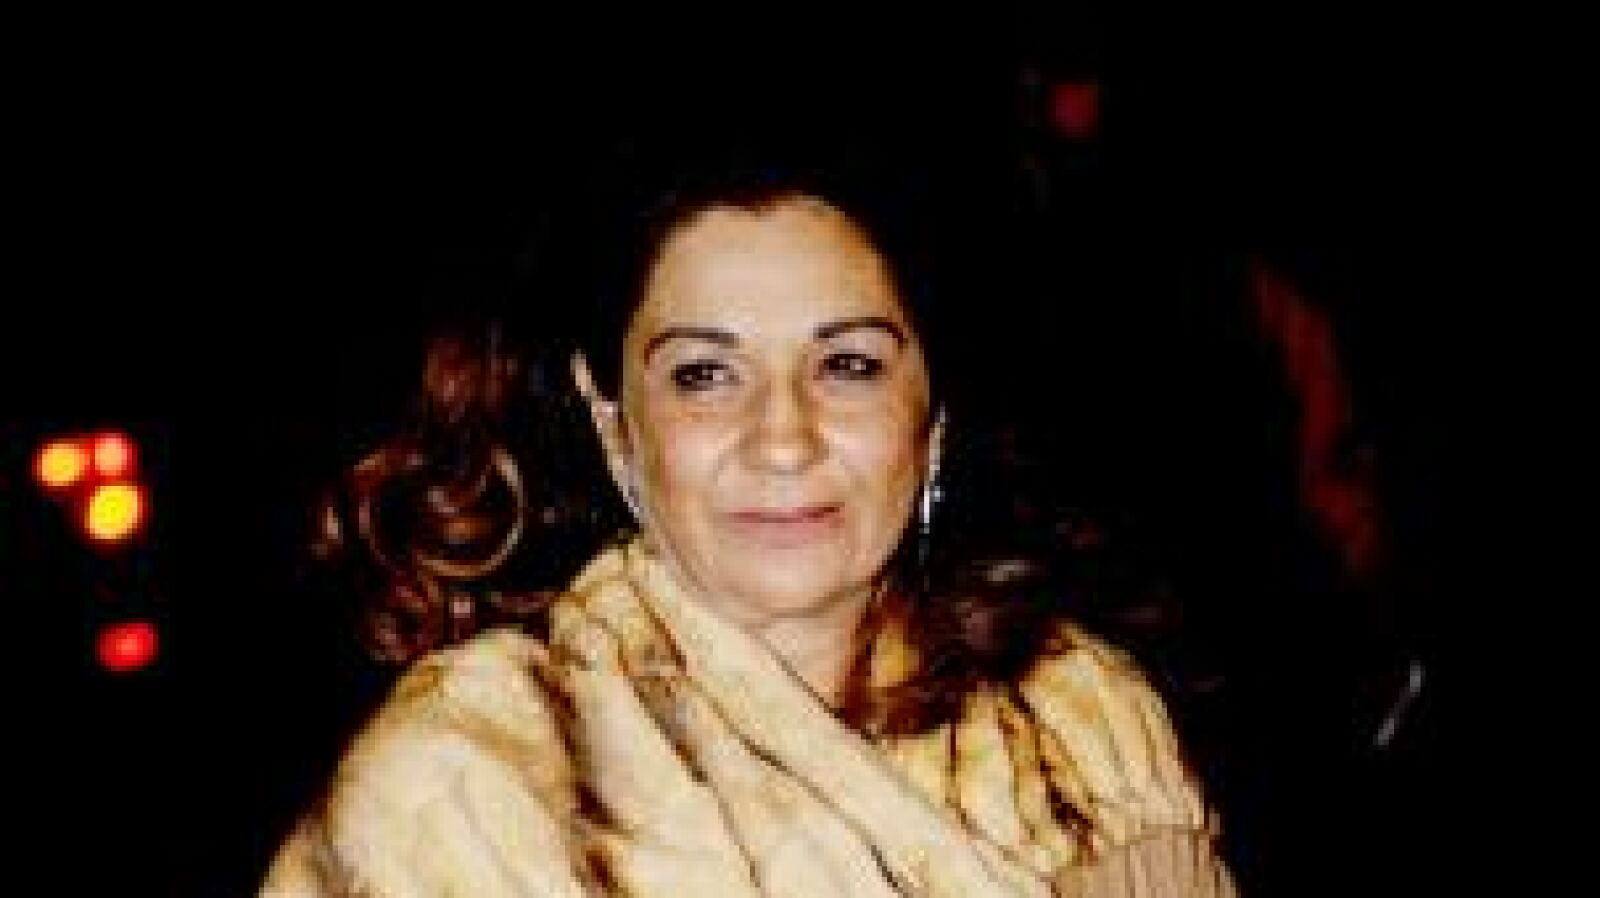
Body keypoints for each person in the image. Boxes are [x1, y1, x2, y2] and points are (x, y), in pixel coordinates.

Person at [260, 135, 1238, 896]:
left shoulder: (1086, 730)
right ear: (613, 424)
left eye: (847, 365)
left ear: (932, 413)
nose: (783, 438)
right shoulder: (471, 782)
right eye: (705, 375)